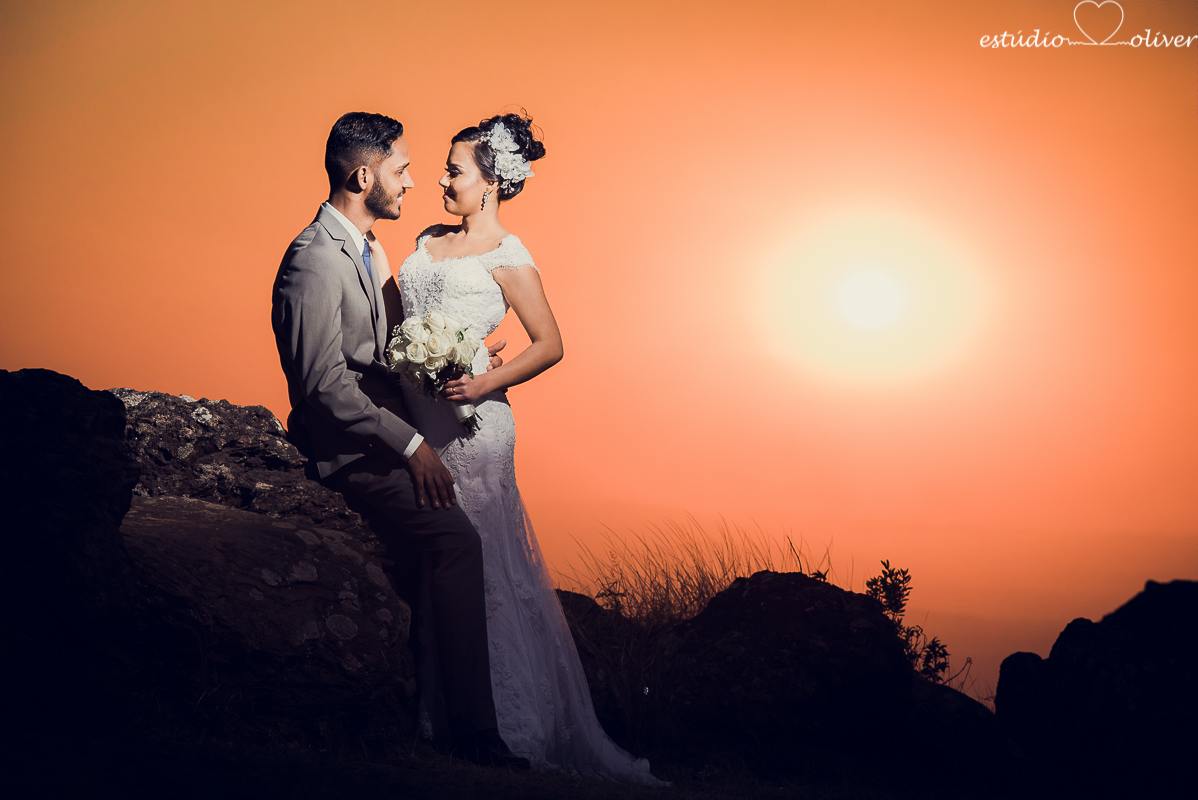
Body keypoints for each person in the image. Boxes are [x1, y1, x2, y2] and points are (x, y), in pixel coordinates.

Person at [394, 112, 666, 785]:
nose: (441, 178)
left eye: (454, 169)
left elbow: (550, 344)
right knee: (427, 562)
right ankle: (430, 712)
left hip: (476, 428)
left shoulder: (509, 256)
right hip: (416, 422)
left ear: (489, 183)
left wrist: (482, 376)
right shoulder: (427, 239)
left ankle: (503, 722)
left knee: (483, 569)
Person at [270, 111, 528, 769]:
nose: (414, 183)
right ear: (364, 175)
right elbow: (321, 385)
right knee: (456, 539)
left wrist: (464, 360)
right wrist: (412, 446)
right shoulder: (313, 259)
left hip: (389, 431)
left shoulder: (367, 246)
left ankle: (452, 720)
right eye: (401, 169)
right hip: (350, 449)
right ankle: (474, 735)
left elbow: (383, 353)